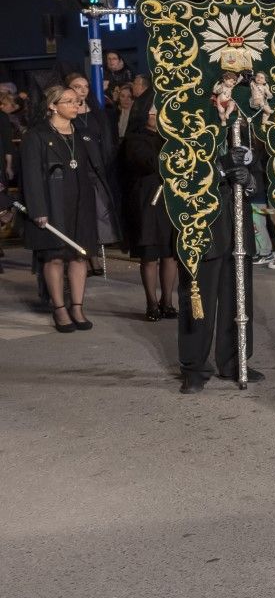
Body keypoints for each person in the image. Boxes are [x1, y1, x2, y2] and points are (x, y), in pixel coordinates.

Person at [176, 94, 260, 393]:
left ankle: (234, 360)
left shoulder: (243, 129)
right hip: (202, 225)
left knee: (238, 296)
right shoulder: (187, 129)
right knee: (198, 298)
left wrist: (248, 180)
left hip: (237, 223)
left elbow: (258, 174)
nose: (227, 102)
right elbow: (182, 175)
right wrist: (223, 169)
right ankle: (194, 366)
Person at [20, 84, 113, 332]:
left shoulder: (83, 133)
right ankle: (59, 309)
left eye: (77, 101)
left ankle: (78, 307)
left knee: (80, 255)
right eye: (69, 101)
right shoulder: (36, 135)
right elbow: (30, 176)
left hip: (81, 203)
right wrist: (38, 209)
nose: (76, 105)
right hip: (52, 203)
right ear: (52, 106)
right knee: (55, 257)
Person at [119, 108, 179, 320]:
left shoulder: (171, 136)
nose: (159, 117)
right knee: (150, 254)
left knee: (170, 254)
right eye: (154, 113)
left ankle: (168, 301)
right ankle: (151, 302)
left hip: (170, 199)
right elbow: (147, 164)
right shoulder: (135, 139)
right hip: (147, 200)